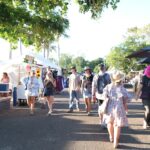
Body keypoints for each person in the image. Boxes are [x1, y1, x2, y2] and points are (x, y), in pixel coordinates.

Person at [103, 71, 129, 148]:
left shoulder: (108, 87)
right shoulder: (122, 88)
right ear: (120, 79)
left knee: (109, 123)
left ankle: (111, 136)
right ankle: (115, 142)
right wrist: (126, 108)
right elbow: (125, 100)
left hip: (109, 106)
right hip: (119, 107)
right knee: (117, 125)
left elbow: (104, 97)